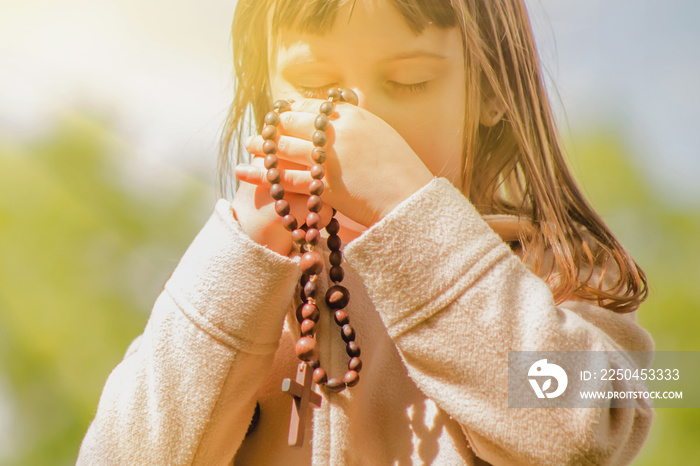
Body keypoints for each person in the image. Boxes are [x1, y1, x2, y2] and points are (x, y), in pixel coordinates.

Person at [78, 0, 654, 464]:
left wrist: (408, 211)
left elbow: (580, 436)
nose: (355, 122)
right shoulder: (243, 280)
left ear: (494, 91)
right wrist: (243, 256)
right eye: (311, 81)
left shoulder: (560, 275)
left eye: (409, 81)